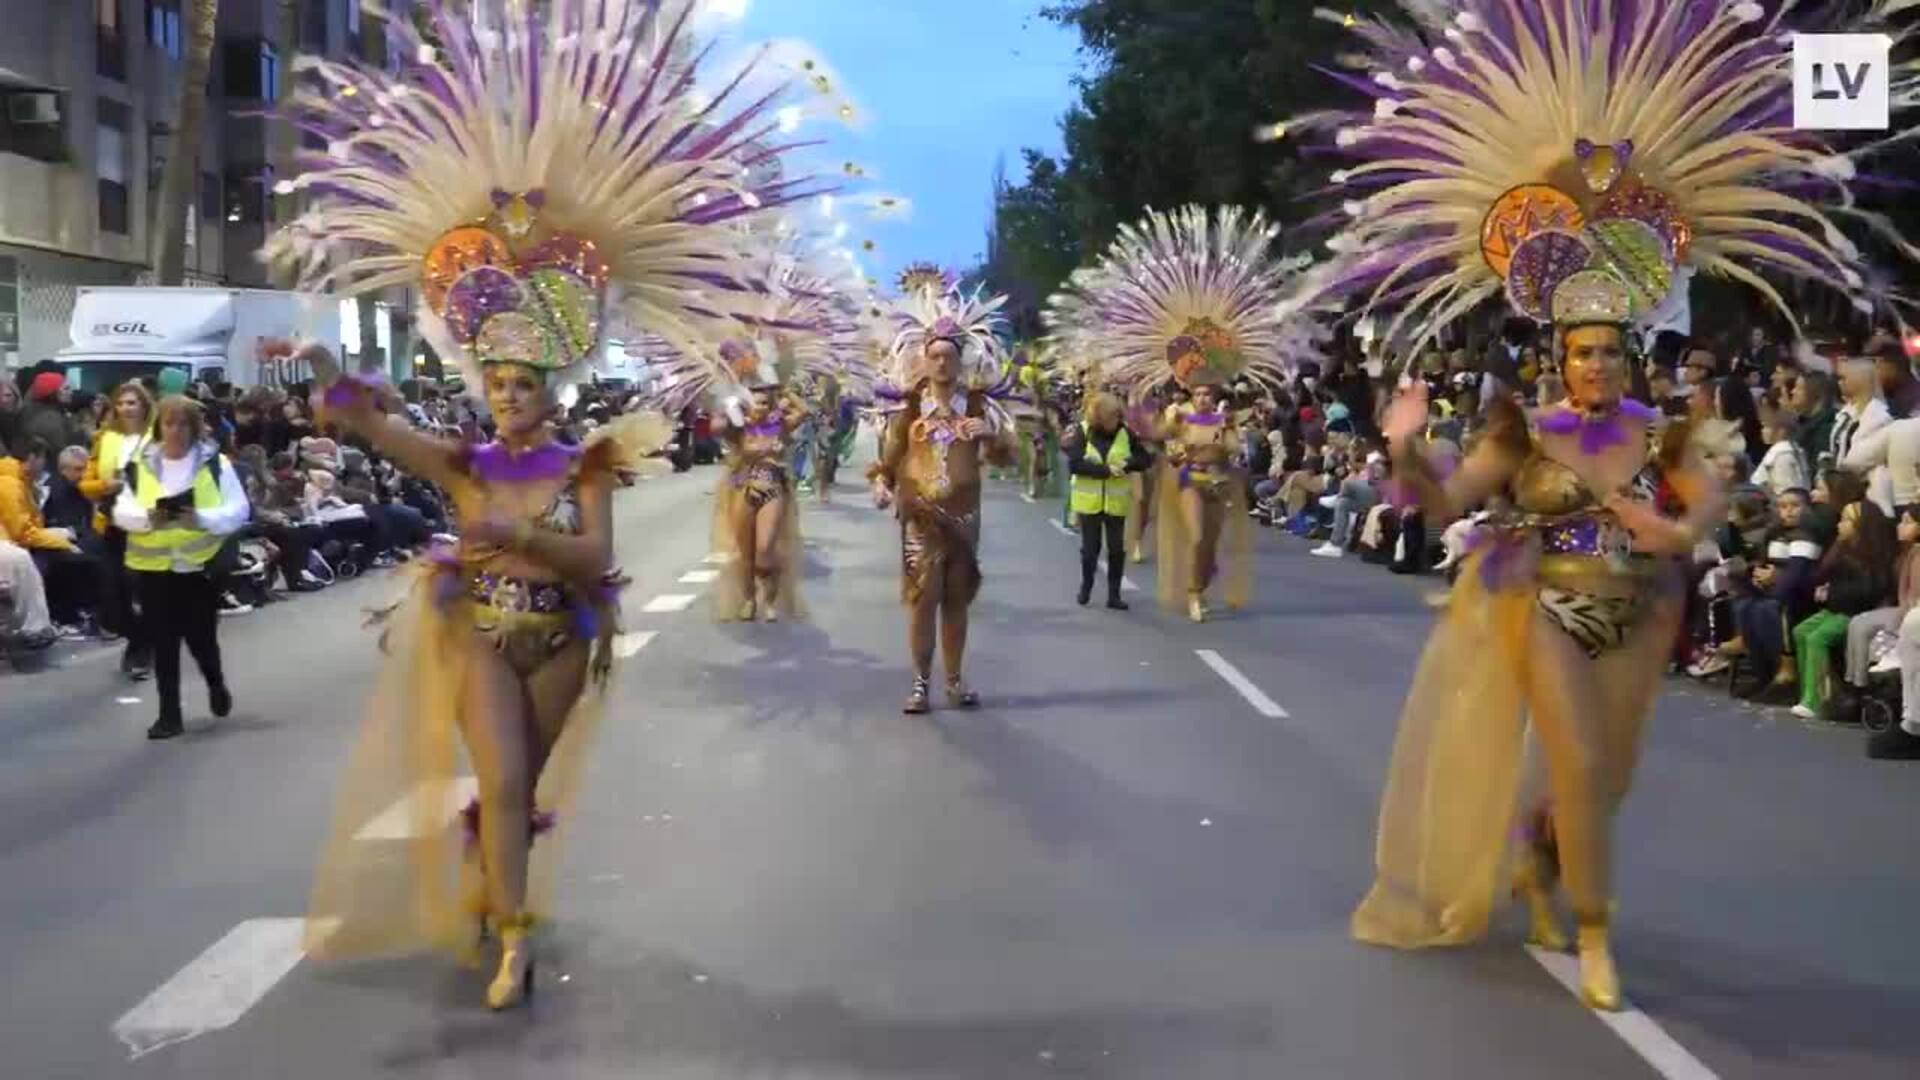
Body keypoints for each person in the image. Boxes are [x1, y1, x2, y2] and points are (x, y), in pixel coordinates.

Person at [1298, 0, 1920, 1011]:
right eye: (1578, 348)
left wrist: (1657, 524)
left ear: (1632, 349)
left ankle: (1543, 860)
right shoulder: (1520, 427)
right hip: (1540, 603)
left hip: (1640, 611)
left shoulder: (1673, 431)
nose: (1593, 361)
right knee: (1579, 760)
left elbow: (1695, 526)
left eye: (1608, 347)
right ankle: (1595, 937)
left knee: (1604, 778)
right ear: (1556, 352)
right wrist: (1405, 447)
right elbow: (1439, 499)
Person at [276, 0, 812, 1011]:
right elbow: (375, 428)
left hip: (561, 637)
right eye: (500, 384)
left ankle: (498, 865)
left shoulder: (587, 464)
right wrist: (323, 370)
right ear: (486, 386)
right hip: (480, 632)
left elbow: (597, 565)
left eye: (526, 384)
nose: (511, 396)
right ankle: (515, 944)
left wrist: (518, 534)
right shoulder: (463, 457)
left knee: (518, 791)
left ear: (550, 388)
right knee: (513, 784)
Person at [1068, 205, 1314, 621]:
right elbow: (1160, 437)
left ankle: (1199, 582)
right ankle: (1192, 591)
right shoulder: (1178, 412)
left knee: (1209, 543)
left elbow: (1234, 450)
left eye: (1207, 392)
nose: (1202, 397)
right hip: (1187, 481)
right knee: (1197, 534)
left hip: (1220, 483)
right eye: (1197, 392)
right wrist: (1163, 433)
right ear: (1188, 389)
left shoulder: (1224, 417)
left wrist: (1229, 431)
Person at [869, 287, 1018, 713]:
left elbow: (1007, 456)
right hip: (920, 519)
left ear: (960, 360)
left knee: (956, 598)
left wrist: (989, 435)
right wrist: (882, 484)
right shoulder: (909, 407)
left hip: (964, 518)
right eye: (933, 355)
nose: (941, 362)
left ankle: (953, 682)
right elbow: (890, 458)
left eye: (949, 356)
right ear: (923, 359)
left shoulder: (978, 405)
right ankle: (920, 684)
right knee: (923, 598)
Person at [111, 396, 249, 739]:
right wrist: (147, 519)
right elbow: (121, 511)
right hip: (153, 568)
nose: (175, 431)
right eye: (169, 423)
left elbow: (238, 510)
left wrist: (201, 518)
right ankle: (168, 714)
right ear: (160, 426)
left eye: (183, 423)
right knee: (164, 641)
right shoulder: (141, 465)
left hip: (198, 568)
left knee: (201, 639)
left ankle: (215, 684)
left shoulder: (216, 465)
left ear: (194, 428)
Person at [709, 341, 810, 623]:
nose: (760, 407)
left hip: (773, 488)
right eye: (754, 402)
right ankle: (750, 600)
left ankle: (771, 599)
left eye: (766, 402)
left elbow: (804, 412)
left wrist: (782, 387)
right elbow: (715, 427)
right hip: (740, 488)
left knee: (765, 552)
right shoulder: (737, 427)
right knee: (746, 554)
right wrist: (729, 394)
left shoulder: (780, 424)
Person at [1062, 391, 1151, 609]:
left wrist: (1127, 464)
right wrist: (1105, 470)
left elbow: (1144, 458)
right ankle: (1087, 586)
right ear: (1100, 418)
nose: (1117, 421)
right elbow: (1074, 464)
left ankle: (1114, 595)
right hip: (1089, 502)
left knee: (1116, 549)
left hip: (1115, 502)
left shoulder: (1125, 432)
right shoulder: (1083, 432)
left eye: (1118, 416)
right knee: (1090, 550)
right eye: (1112, 417)